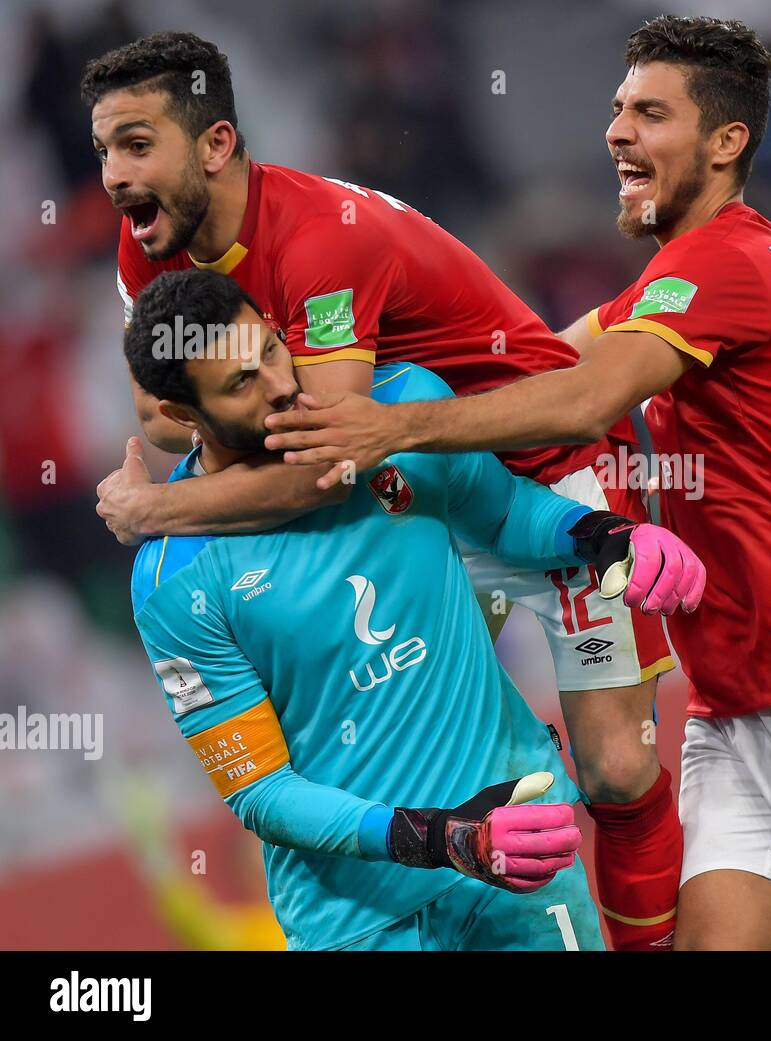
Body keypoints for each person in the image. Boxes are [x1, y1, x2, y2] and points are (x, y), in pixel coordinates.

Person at [265, 16, 771, 951]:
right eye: (617, 109)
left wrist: (392, 423)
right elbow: (540, 365)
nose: (617, 132)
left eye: (649, 112)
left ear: (726, 142)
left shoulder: (726, 263)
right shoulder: (681, 277)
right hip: (736, 708)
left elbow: (579, 400)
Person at [83, 31, 682, 949]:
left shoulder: (319, 240)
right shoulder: (150, 248)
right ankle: (420, 879)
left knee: (612, 767)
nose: (116, 176)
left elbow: (320, 467)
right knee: (424, 736)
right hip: (416, 484)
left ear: (215, 144)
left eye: (137, 144)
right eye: (102, 152)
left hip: (531, 462)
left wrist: (153, 510)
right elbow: (170, 417)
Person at [126, 268, 704, 950]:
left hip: (519, 855)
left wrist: (605, 536)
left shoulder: (397, 409)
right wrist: (440, 837)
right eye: (240, 383)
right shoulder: (173, 578)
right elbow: (263, 791)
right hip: (358, 920)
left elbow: (508, 512)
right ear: (181, 417)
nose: (280, 384)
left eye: (272, 350)